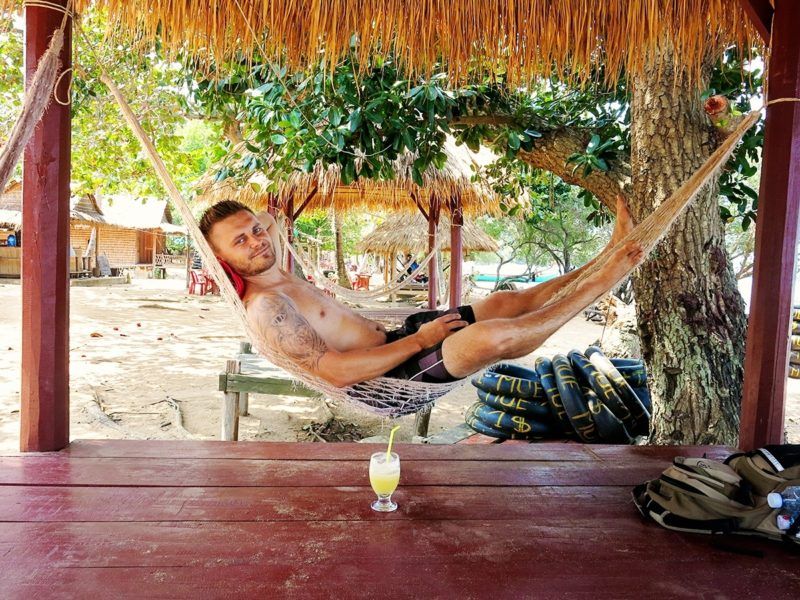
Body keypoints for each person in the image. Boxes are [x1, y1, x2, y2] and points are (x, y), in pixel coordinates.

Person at [199, 198, 642, 387]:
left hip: (403, 337)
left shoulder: (272, 262)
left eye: (256, 231)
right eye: (240, 241)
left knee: (506, 302)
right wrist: (420, 342)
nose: (257, 240)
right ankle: (606, 281)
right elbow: (332, 372)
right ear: (221, 260)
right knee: (496, 336)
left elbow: (265, 219)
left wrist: (247, 225)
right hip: (390, 379)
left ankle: (605, 256)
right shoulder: (268, 306)